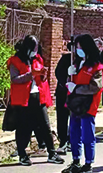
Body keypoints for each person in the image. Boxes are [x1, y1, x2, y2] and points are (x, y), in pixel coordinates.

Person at [8, 35, 65, 166]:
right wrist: (31, 75)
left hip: (38, 96)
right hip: (23, 99)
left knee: (45, 125)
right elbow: (15, 79)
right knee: (23, 127)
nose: (34, 51)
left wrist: (43, 75)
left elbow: (41, 78)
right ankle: (22, 154)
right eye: (32, 48)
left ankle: (52, 153)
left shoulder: (38, 58)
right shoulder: (15, 61)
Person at [62, 34, 103, 173]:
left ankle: (88, 163)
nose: (77, 50)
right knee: (74, 134)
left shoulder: (97, 67)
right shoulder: (77, 65)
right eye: (76, 47)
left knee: (87, 135)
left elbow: (95, 87)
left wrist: (76, 88)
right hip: (74, 104)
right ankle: (76, 161)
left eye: (80, 47)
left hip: (88, 105)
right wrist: (69, 76)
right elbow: (70, 82)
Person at [54, 41, 73, 154]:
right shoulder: (66, 59)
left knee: (75, 118)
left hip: (76, 93)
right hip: (63, 92)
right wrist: (65, 83)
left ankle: (73, 140)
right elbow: (58, 72)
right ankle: (63, 140)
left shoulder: (82, 60)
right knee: (62, 117)